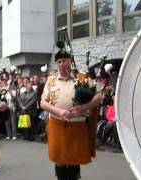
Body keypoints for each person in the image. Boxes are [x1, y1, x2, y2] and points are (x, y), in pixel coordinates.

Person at [40, 44, 103, 180]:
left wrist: (83, 107)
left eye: (65, 61)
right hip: (57, 125)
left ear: (70, 62)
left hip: (77, 126)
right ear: (56, 64)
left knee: (74, 163)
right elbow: (43, 103)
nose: (62, 64)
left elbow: (99, 97)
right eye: (59, 62)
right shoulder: (51, 81)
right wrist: (59, 111)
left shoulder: (81, 78)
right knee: (60, 162)